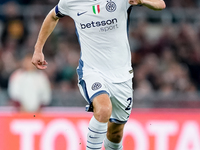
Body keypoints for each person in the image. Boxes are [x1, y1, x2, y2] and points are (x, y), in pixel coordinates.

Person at [32, 0, 165, 149]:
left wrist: (142, 1)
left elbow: (160, 4)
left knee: (116, 133)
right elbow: (53, 16)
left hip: (122, 76)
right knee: (103, 109)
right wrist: (38, 49)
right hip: (91, 71)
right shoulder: (71, 2)